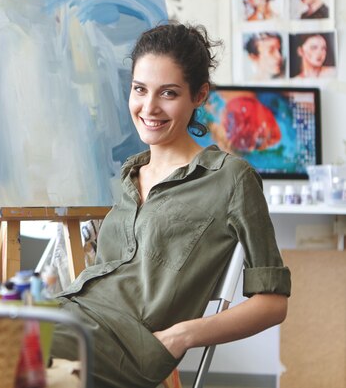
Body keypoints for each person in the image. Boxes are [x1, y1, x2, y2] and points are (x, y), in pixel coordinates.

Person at [50, 23, 290, 388]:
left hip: (130, 347)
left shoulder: (231, 178)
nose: (149, 107)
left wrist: (183, 336)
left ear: (199, 95)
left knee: (1, 345)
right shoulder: (130, 175)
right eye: (139, 90)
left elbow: (273, 303)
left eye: (168, 93)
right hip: (73, 316)